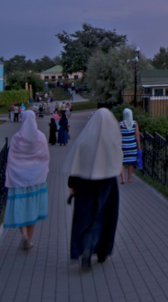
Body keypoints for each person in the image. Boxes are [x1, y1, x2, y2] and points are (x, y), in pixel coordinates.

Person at [63, 108, 122, 269]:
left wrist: (72, 185)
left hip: (85, 184)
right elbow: (118, 163)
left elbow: (76, 163)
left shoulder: (84, 140)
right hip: (107, 186)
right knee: (105, 218)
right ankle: (102, 251)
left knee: (85, 217)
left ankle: (85, 247)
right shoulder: (113, 141)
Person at [4, 110, 50, 251]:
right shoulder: (40, 137)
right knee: (32, 209)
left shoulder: (16, 138)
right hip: (36, 179)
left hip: (19, 179)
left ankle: (23, 235)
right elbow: (45, 156)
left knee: (20, 208)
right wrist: (42, 170)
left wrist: (12, 173)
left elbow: (11, 159)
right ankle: (29, 240)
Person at [119, 108, 140, 184]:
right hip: (132, 146)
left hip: (123, 146)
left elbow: (119, 136)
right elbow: (137, 135)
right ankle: (130, 178)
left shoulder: (120, 124)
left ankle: (123, 178)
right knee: (130, 162)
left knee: (122, 162)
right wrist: (139, 145)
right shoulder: (134, 123)